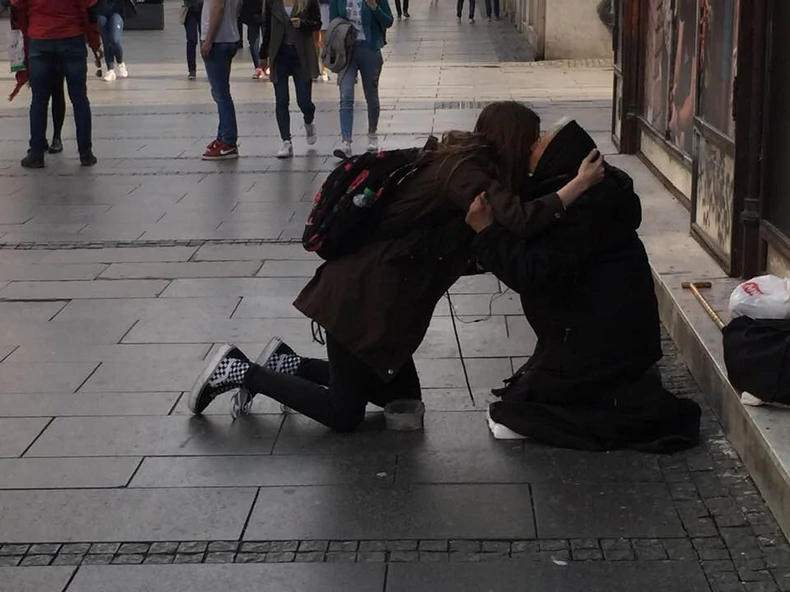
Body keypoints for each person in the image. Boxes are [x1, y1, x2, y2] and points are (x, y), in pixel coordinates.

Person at [187, 102, 606, 431]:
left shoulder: (468, 167)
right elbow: (521, 218)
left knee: (402, 400)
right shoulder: (465, 173)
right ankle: (239, 370)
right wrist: (580, 184)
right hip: (364, 295)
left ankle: (289, 366)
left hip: (386, 297)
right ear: (512, 140)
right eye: (533, 140)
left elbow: (482, 238)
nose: (536, 149)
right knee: (343, 415)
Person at [465, 119, 702, 452]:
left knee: (516, 410)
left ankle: (632, 399)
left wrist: (487, 233)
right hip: (601, 337)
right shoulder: (585, 197)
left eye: (540, 142)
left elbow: (532, 272)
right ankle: (622, 388)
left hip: (603, 343)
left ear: (558, 156)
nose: (532, 147)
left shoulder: (586, 209)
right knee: (527, 391)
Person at [10, 0, 102, 169]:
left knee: (39, 100)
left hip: (40, 39)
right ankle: (85, 153)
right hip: (72, 39)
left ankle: (36, 154)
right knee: (79, 98)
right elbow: (89, 10)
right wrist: (94, 42)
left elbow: (17, 7)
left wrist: (27, 31)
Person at [330, 0, 393, 157]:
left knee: (371, 95)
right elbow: (333, 21)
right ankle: (346, 141)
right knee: (346, 94)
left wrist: (374, 6)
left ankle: (372, 134)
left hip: (369, 48)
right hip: (347, 51)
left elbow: (388, 21)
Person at [260, 0, 321, 158]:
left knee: (304, 101)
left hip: (301, 55)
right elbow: (266, 27)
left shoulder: (307, 2)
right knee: (281, 100)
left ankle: (309, 119)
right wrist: (263, 54)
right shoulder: (272, 3)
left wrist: (303, 23)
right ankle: (286, 141)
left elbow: (317, 24)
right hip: (279, 56)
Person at [200, 0, 243, 160]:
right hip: (230, 36)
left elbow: (218, 7)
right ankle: (222, 136)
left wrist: (209, 39)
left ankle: (228, 142)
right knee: (222, 91)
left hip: (218, 40)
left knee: (221, 94)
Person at [97, 0, 135, 82]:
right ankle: (110, 70)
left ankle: (120, 62)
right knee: (106, 41)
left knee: (114, 40)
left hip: (116, 10)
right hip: (101, 10)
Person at [240, 0, 266, 79]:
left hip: (252, 12)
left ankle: (259, 68)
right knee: (266, 40)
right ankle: (265, 66)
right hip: (264, 11)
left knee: (254, 42)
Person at [183, 0, 203, 80]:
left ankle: (210, 67)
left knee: (205, 39)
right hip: (190, 9)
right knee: (192, 40)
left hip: (204, 9)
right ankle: (192, 69)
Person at [314, 0, 330, 81]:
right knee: (318, 40)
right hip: (319, 5)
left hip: (324, 6)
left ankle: (323, 68)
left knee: (322, 40)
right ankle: (318, 68)